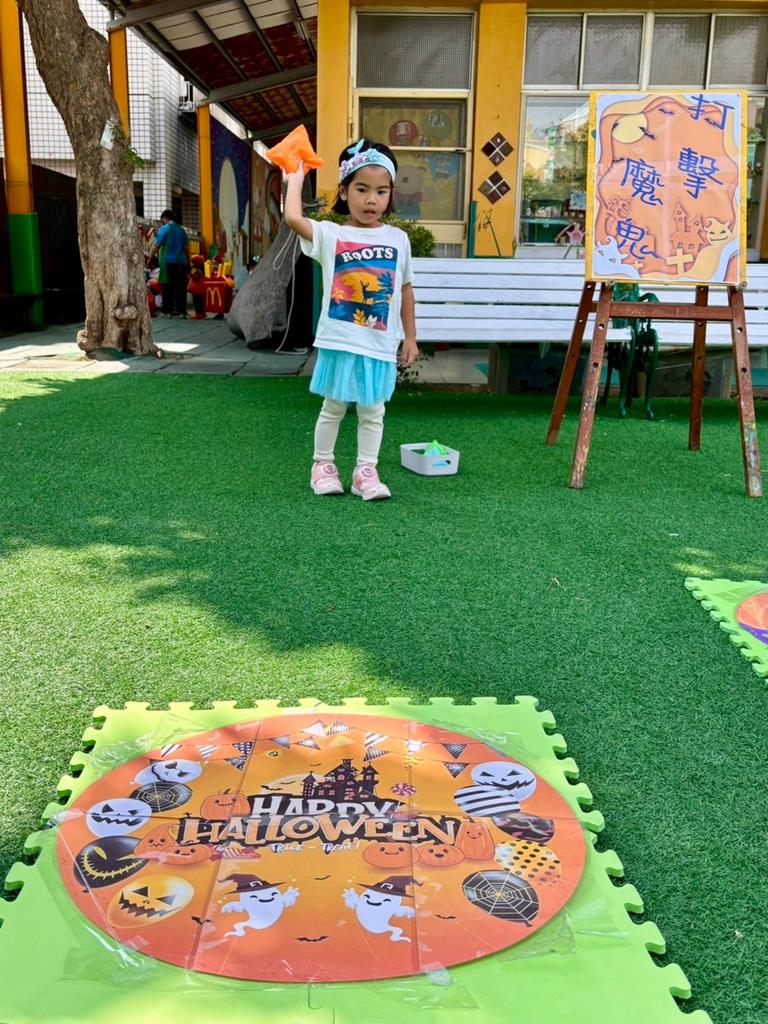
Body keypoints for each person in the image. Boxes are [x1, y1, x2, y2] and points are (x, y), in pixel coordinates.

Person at [284, 138, 419, 501]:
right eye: (361, 189)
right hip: (340, 341)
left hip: (380, 343)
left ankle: (365, 471)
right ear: (344, 192)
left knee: (374, 411)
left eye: (381, 191)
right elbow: (293, 218)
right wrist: (296, 175)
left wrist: (410, 337)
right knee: (333, 408)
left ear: (390, 195)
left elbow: (405, 290)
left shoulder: (398, 239)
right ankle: (322, 465)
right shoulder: (331, 234)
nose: (371, 200)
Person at [150, 209, 190, 317]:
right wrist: (189, 263)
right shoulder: (181, 230)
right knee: (181, 288)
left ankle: (167, 311)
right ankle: (182, 311)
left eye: (162, 220)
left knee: (167, 287)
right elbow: (186, 248)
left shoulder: (165, 228)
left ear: (164, 218)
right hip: (182, 262)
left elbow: (157, 245)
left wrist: (150, 257)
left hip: (168, 262)